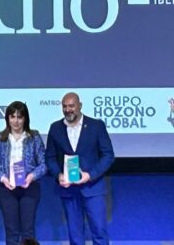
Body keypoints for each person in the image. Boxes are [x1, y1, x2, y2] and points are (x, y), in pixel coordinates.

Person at [45, 92, 114, 245]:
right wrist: (58, 175)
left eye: (71, 106)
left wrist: (90, 175)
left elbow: (108, 155)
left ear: (80, 106)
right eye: (64, 106)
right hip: (68, 190)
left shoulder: (96, 126)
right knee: (75, 234)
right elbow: (50, 157)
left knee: (99, 231)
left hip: (93, 188)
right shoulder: (55, 128)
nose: (67, 110)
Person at [0, 101, 46, 245]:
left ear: (25, 118)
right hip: (6, 189)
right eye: (12, 117)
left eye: (20, 117)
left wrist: (31, 176)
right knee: (12, 231)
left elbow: (43, 164)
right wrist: (3, 178)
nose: (16, 121)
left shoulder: (34, 137)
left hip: (29, 188)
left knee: (28, 231)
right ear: (7, 118)